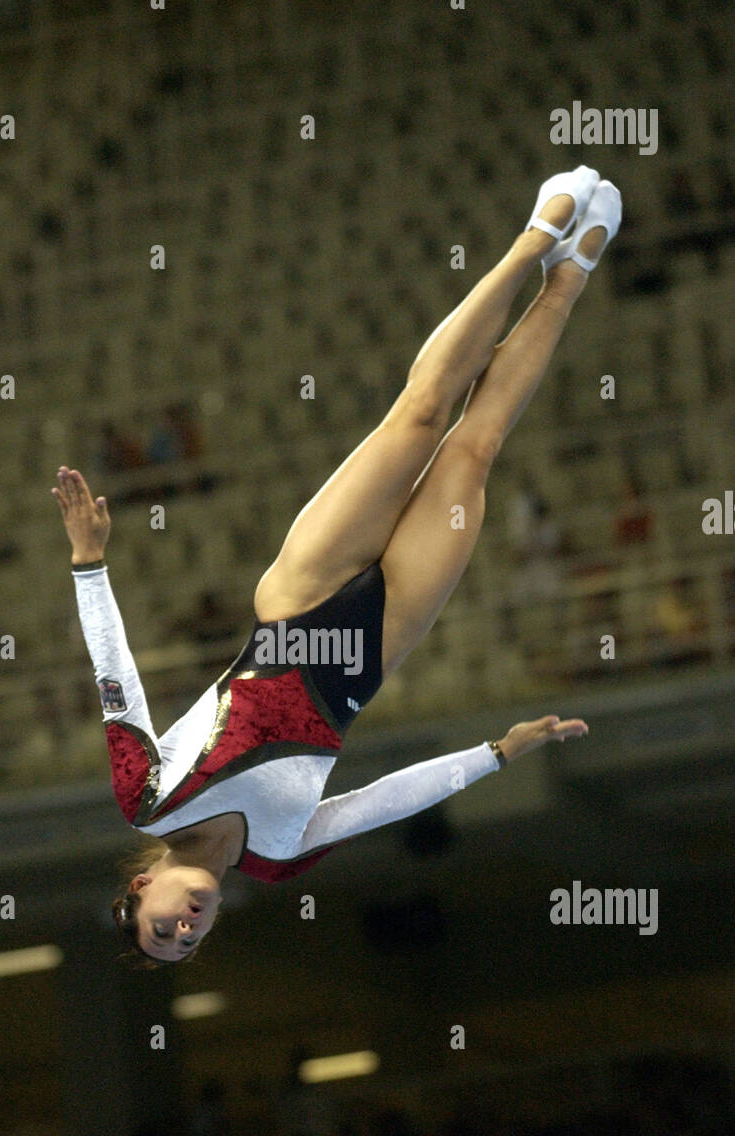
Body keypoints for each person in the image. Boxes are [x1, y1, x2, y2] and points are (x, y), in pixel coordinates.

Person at [52, 167, 620, 965]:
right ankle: (571, 276)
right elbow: (378, 805)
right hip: (374, 650)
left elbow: (118, 686)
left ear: (141, 890)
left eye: (163, 927)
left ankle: (534, 237)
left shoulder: (147, 801)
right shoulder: (278, 857)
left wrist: (88, 565)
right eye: (190, 941)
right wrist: (495, 755)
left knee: (421, 416)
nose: (186, 925)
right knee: (475, 449)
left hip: (296, 605)